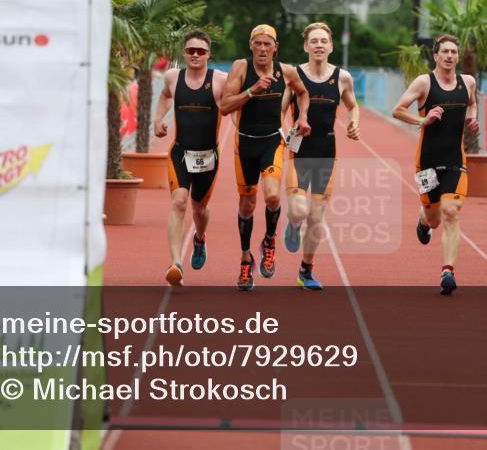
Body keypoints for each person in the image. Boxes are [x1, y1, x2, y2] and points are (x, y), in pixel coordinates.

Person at [220, 24, 311, 291]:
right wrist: (252, 90)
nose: (262, 49)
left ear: (275, 48)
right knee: (247, 205)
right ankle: (246, 258)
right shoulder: (241, 68)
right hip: (244, 145)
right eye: (257, 44)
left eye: (267, 44)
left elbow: (303, 93)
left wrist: (302, 116)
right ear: (251, 46)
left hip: (272, 142)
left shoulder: (287, 71)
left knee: (272, 196)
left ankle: (270, 240)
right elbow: (225, 107)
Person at [392, 35, 478, 295]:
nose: (450, 56)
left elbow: (472, 104)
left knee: (451, 211)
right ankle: (423, 220)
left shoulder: (468, 82)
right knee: (434, 218)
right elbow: (397, 110)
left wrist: (472, 119)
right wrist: (423, 120)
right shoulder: (424, 83)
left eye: (454, 51)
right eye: (445, 52)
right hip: (427, 163)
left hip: (455, 160)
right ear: (436, 56)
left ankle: (448, 271)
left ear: (458, 56)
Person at [280, 22, 361, 291]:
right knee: (299, 211)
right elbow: (280, 111)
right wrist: (282, 133)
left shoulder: (342, 77)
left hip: (327, 153)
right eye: (313, 41)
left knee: (316, 216)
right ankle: (292, 224)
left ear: (331, 46)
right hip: (299, 150)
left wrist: (354, 122)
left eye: (323, 41)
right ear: (306, 46)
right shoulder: (294, 76)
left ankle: (306, 270)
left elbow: (353, 105)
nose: (318, 45)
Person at [153, 31, 226, 287]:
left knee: (199, 209)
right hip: (180, 153)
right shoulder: (173, 77)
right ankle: (176, 263)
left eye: (201, 51)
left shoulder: (220, 80)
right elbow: (164, 95)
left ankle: (200, 238)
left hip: (208, 157)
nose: (195, 55)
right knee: (179, 201)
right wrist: (158, 119)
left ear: (209, 54)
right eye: (191, 50)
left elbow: (238, 104)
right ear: (184, 53)